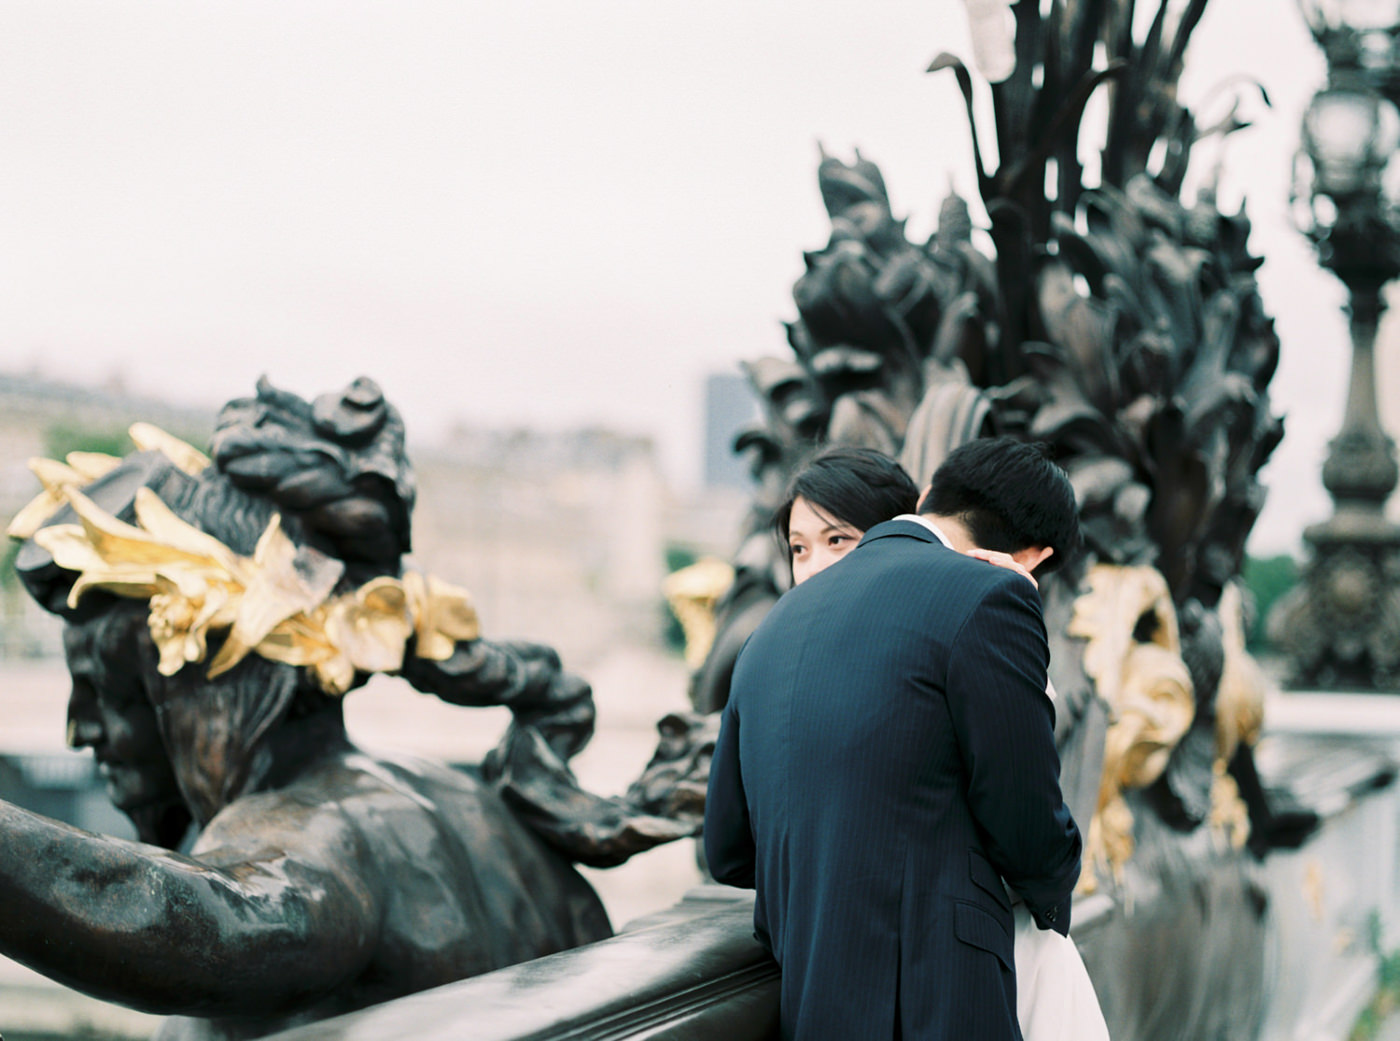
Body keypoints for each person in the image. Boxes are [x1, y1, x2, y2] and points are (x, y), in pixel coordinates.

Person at [0, 379, 627, 1041]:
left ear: (222, 674)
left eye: (112, 692)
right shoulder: (480, 811)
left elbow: (199, 926)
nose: (81, 730)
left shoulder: (312, 829)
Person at [704, 438, 1090, 1040]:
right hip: (937, 998)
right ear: (1035, 556)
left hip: (810, 999)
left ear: (931, 494)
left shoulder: (769, 630)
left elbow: (729, 850)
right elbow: (1029, 829)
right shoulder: (993, 595)